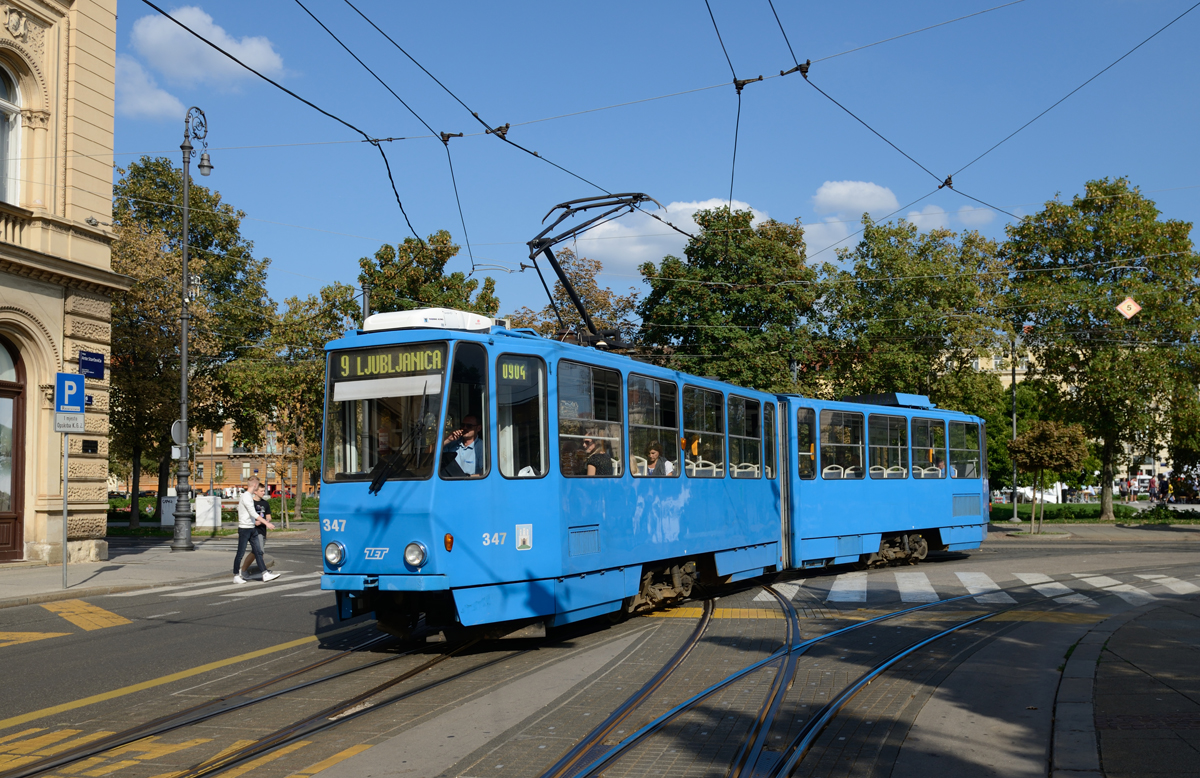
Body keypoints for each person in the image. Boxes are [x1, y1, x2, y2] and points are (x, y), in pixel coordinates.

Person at [233, 477, 279, 584]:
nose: (260, 488)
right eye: (258, 486)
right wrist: (267, 523)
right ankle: (236, 575)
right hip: (244, 529)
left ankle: (265, 573)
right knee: (240, 553)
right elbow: (253, 513)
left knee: (258, 551)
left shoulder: (248, 496)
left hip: (252, 528)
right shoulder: (246, 497)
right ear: (254, 486)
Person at [239, 481, 274, 577]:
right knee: (258, 551)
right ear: (256, 491)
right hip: (254, 529)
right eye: (261, 491)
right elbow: (248, 515)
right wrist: (255, 522)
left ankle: (260, 570)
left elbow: (268, 516)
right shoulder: (251, 502)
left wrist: (266, 520)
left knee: (258, 551)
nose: (263, 493)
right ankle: (247, 570)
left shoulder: (265, 503)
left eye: (264, 491)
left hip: (262, 530)